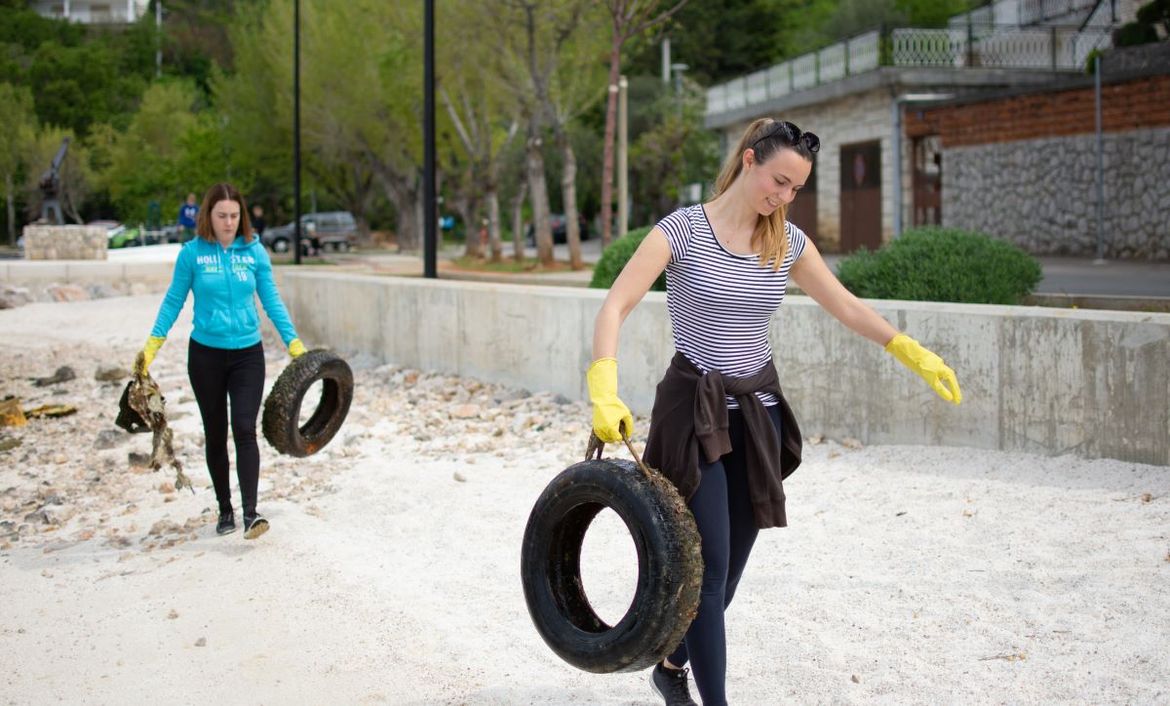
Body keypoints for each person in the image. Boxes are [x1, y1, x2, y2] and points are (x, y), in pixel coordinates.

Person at [587, 118, 961, 706]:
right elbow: (616, 304)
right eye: (780, 182)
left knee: (727, 579)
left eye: (795, 190)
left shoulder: (785, 242)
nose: (784, 198)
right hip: (697, 414)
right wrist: (603, 386)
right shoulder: (682, 231)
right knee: (707, 574)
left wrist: (910, 351)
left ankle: (669, 663)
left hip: (759, 416)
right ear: (750, 160)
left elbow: (846, 306)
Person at [137, 183, 307, 540]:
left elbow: (271, 300)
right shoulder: (192, 255)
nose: (229, 223)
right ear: (208, 217)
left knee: (244, 428)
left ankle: (250, 513)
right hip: (206, 356)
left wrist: (293, 342)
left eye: (234, 216)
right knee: (216, 433)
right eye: (222, 216)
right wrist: (152, 345)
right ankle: (225, 509)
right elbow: (173, 302)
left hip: (248, 354)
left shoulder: (254, 252)